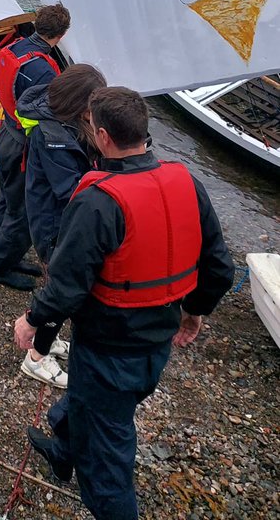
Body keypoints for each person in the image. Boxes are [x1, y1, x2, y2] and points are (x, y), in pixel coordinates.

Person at [13, 86, 234, 520]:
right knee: (95, 406)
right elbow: (220, 268)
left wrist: (31, 320)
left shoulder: (98, 201)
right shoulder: (188, 181)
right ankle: (63, 449)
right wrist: (196, 309)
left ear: (101, 136)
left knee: (107, 462)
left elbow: (67, 286)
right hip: (157, 343)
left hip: (109, 351)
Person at [16, 62, 106, 388]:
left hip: (60, 220)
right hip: (54, 225)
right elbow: (69, 191)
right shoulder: (49, 136)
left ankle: (45, 338)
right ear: (78, 104)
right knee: (62, 290)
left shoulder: (68, 125)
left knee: (57, 286)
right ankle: (36, 358)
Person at [0, 2, 71, 290]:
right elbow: (48, 111)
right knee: (22, 210)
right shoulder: (43, 70)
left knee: (7, 199)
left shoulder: (15, 48)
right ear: (62, 34)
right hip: (22, 144)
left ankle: (5, 249)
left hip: (5, 132)